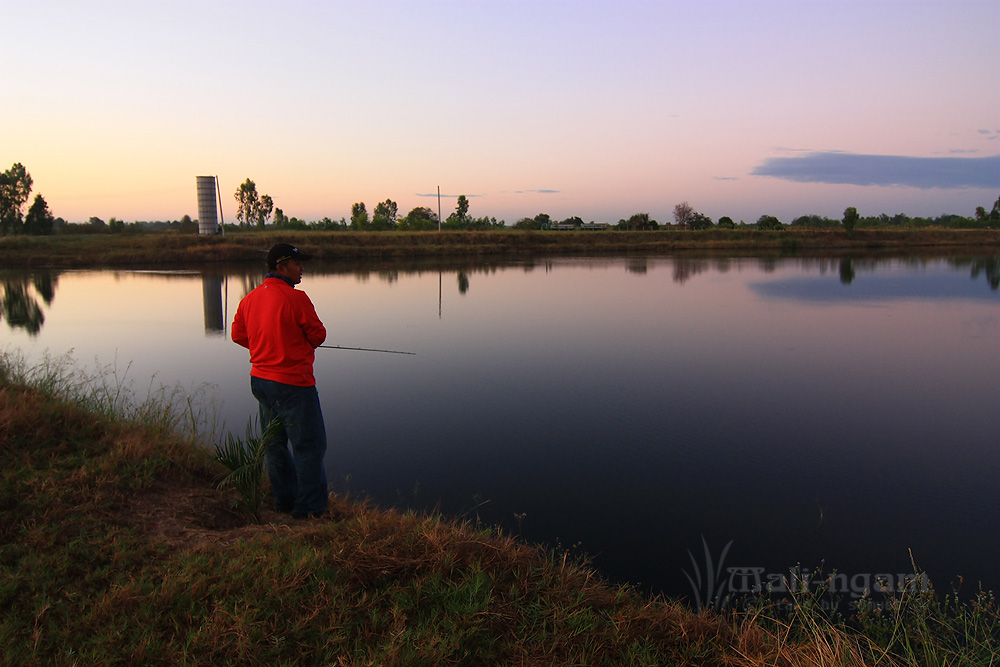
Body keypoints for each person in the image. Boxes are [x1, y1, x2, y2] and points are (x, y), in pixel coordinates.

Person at [231, 243, 329, 518]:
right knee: (308, 446)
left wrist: (268, 346)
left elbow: (238, 336)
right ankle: (309, 509)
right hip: (294, 385)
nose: (302, 269)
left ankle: (283, 501)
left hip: (261, 382)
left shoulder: (249, 298)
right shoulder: (296, 298)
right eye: (298, 264)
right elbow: (318, 336)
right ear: (281, 266)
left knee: (274, 445)